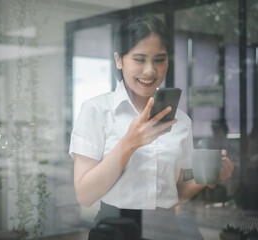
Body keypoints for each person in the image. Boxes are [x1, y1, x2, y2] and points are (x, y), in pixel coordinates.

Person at [69, 15, 234, 239]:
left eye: (159, 59)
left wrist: (208, 177)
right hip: (115, 229)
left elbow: (176, 192)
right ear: (119, 60)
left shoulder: (181, 121)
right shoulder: (97, 111)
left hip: (166, 228)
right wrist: (129, 143)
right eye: (139, 59)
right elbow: (85, 195)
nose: (150, 70)